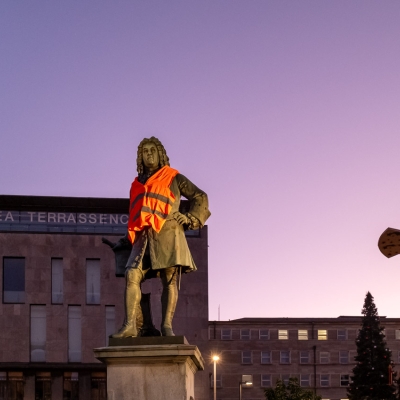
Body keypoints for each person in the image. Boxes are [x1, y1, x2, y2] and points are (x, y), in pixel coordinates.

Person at [111, 137, 210, 338]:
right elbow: (139, 214)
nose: (148, 154)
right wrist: (127, 238)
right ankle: (130, 325)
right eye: (144, 151)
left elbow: (200, 196)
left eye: (152, 150)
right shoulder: (136, 184)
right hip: (143, 239)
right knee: (132, 275)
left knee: (169, 281)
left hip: (168, 235)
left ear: (160, 154)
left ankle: (166, 327)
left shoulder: (174, 177)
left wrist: (191, 218)